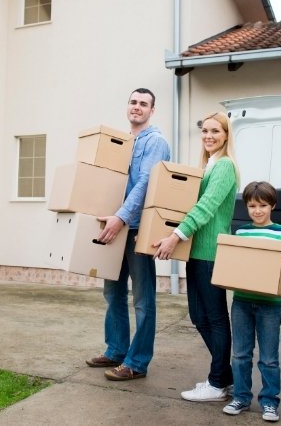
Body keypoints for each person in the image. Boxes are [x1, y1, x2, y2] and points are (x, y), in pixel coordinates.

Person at [152, 111, 239, 402]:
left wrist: (175, 235)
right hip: (196, 252)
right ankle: (226, 376)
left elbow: (206, 207)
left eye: (216, 131)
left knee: (214, 318)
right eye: (205, 131)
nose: (209, 136)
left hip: (210, 252)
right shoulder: (209, 165)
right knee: (198, 316)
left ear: (226, 135)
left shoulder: (225, 166)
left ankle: (217, 383)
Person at [85, 88, 171, 381]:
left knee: (143, 299)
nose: (137, 107)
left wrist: (121, 218)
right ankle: (116, 350)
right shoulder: (126, 141)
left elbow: (146, 182)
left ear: (152, 111)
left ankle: (137, 362)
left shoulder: (155, 141)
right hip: (116, 226)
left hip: (137, 230)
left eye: (143, 104)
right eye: (133, 102)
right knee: (113, 292)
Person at [222, 181, 281, 423]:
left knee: (269, 357)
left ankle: (269, 402)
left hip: (269, 305)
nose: (257, 210)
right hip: (242, 302)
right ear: (246, 207)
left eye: (263, 205)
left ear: (273, 206)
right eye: (252, 206)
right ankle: (241, 397)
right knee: (240, 355)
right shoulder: (241, 233)